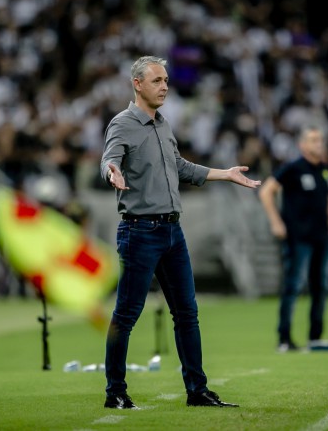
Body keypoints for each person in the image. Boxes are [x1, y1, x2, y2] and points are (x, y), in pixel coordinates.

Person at [100, 55, 260, 409]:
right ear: (137, 84)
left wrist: (225, 173)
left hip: (173, 233)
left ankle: (197, 391)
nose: (165, 87)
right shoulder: (123, 123)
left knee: (187, 313)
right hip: (139, 231)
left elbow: (181, 167)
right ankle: (115, 392)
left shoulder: (163, 124)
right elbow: (108, 158)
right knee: (125, 316)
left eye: (166, 80)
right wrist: (112, 171)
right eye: (157, 81)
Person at [259, 125, 328, 352]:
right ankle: (284, 339)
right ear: (302, 145)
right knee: (293, 286)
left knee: (321, 287)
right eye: (313, 140)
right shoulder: (293, 168)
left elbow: (327, 195)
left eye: (320, 140)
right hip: (298, 238)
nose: (319, 144)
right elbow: (266, 191)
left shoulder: (323, 168)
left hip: (321, 237)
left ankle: (315, 337)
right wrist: (276, 222)